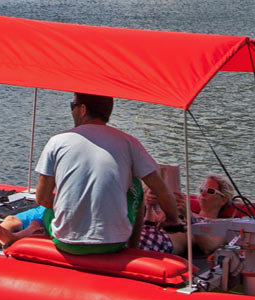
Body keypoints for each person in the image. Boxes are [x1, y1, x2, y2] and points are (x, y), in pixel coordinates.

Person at [32, 93, 182, 254]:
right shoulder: (128, 141)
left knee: (47, 212)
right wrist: (173, 220)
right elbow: (161, 190)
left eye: (72, 106)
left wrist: (67, 203)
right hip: (113, 243)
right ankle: (133, 249)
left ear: (83, 109)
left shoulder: (57, 141)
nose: (71, 111)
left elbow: (42, 199)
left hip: (66, 243)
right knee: (136, 185)